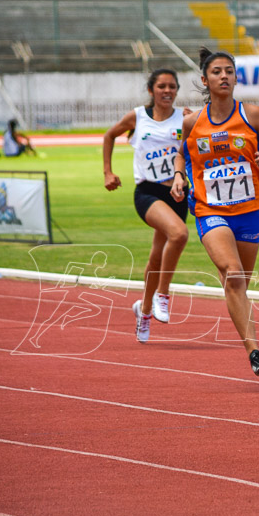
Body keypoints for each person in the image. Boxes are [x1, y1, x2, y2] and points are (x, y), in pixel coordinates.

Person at [170, 48, 259, 376]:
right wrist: (179, 175)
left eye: (229, 71)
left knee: (238, 284)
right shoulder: (192, 122)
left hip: (251, 211)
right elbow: (181, 153)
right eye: (217, 72)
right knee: (233, 274)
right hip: (210, 210)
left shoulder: (253, 115)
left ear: (236, 78)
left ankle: (245, 333)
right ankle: (254, 352)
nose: (224, 76)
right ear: (204, 80)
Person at [104, 69, 191, 343]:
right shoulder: (137, 117)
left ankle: (143, 311)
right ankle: (162, 296)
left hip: (177, 193)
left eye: (172, 87)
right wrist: (108, 172)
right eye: (162, 86)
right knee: (179, 235)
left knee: (156, 257)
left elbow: (200, 145)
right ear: (151, 90)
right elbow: (109, 136)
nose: (168, 91)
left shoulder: (186, 117)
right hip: (148, 192)